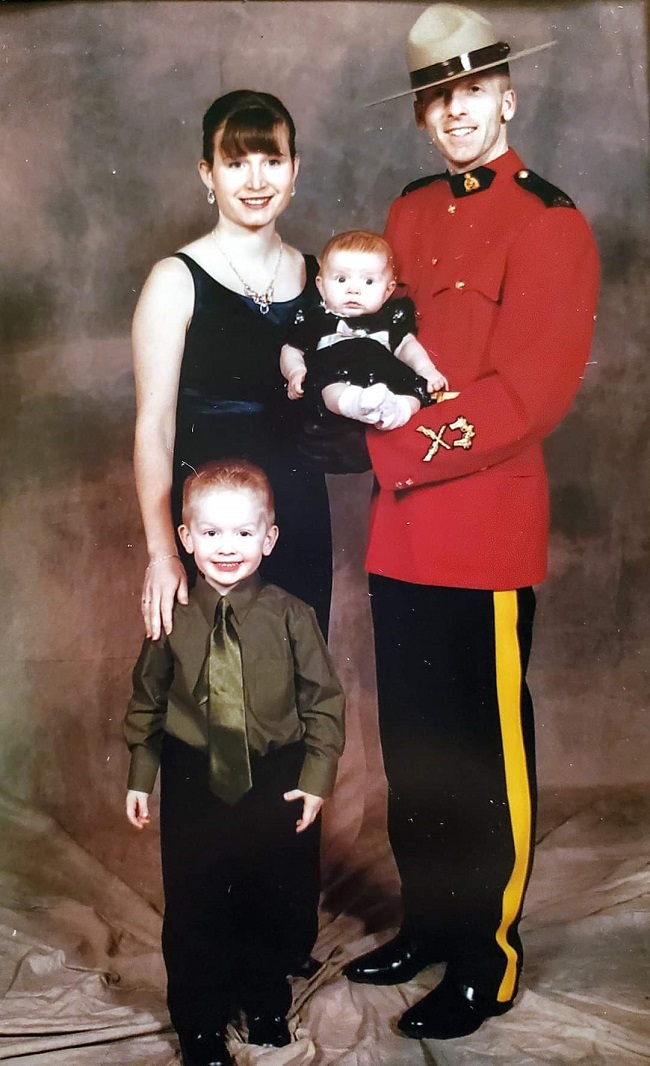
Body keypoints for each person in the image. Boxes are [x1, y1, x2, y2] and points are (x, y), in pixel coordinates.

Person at [344, 2, 600, 1042]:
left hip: (482, 526)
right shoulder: (406, 214)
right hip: (400, 536)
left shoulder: (549, 222)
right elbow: (371, 335)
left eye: (469, 91)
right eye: (433, 96)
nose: (454, 111)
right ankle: (430, 919)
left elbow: (528, 395)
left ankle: (485, 955)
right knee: (413, 746)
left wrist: (397, 447)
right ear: (422, 113)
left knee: (480, 753)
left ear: (505, 93)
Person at [124, 459, 345, 1066]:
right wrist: (142, 777)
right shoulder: (170, 615)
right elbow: (147, 701)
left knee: (274, 895)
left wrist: (316, 779)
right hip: (194, 777)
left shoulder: (293, 616)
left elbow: (323, 702)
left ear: (269, 538)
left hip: (275, 777)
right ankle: (198, 1023)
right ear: (186, 538)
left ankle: (266, 998)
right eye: (212, 533)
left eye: (244, 533)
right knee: (195, 902)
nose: (228, 548)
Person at [133, 89, 331, 643]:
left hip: (299, 516)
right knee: (210, 707)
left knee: (296, 692)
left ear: (295, 170)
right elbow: (155, 426)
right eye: (236, 162)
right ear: (207, 173)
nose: (256, 181)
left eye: (272, 161)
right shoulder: (175, 280)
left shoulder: (321, 278)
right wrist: (161, 552)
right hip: (212, 530)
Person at [280, 230, 448, 431]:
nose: (354, 290)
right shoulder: (316, 318)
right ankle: (356, 404)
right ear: (321, 286)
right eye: (341, 280)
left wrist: (426, 370)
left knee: (412, 394)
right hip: (337, 372)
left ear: (388, 290)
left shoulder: (389, 319)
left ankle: (396, 412)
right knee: (330, 389)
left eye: (368, 281)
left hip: (385, 375)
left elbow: (407, 346)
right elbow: (291, 349)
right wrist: (295, 371)